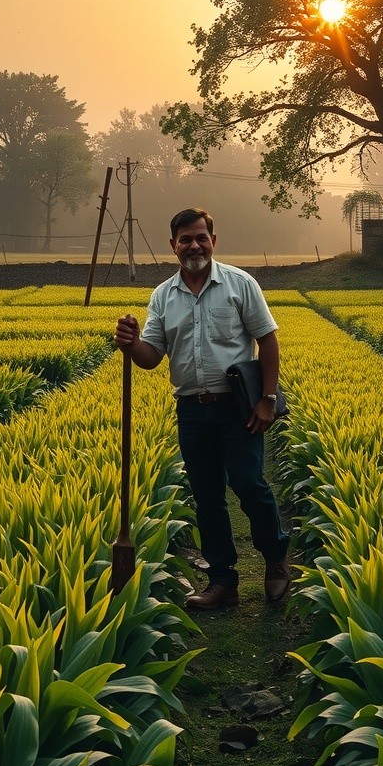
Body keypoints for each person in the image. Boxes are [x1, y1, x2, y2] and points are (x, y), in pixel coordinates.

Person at [114, 207, 290, 610]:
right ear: (173, 245)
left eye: (201, 237)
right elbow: (151, 356)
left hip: (238, 407)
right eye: (185, 239)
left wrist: (267, 399)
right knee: (207, 496)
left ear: (213, 240)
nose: (194, 245)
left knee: (249, 485)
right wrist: (131, 342)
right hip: (192, 410)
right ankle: (223, 581)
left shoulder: (239, 284)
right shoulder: (162, 295)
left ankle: (275, 558)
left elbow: (268, 340)